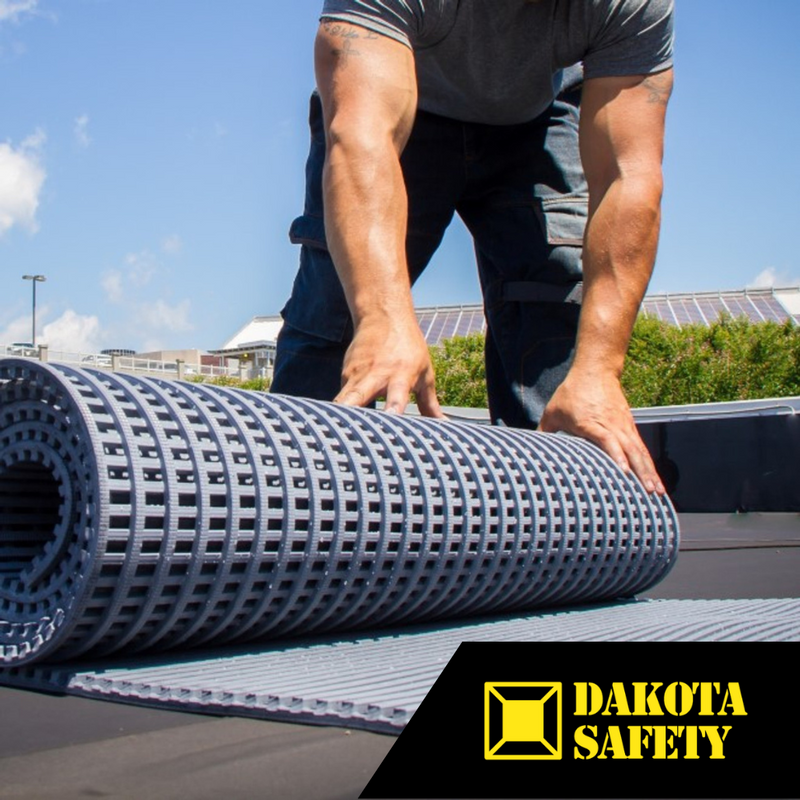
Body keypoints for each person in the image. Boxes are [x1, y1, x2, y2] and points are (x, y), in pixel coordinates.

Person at [272, 0, 673, 495]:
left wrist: (598, 369)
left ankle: (552, 525)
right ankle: (292, 505)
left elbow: (626, 178)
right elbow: (363, 134)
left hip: (536, 118)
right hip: (396, 96)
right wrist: (381, 317)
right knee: (337, 312)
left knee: (554, 321)